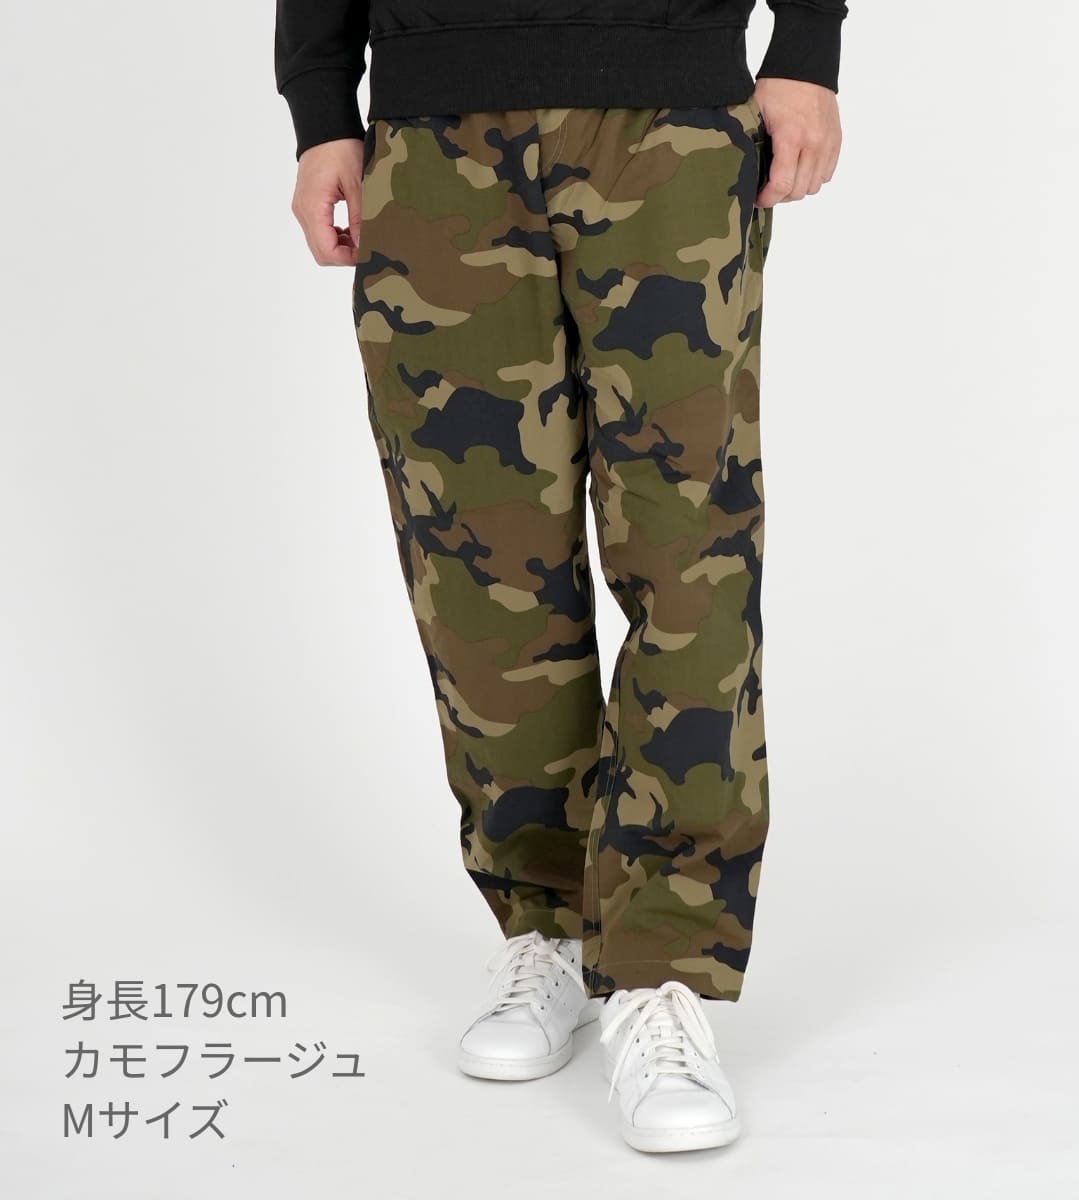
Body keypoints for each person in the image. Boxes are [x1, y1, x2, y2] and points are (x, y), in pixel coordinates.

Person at [274, 0, 847, 1154]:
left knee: (689, 554)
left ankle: (659, 965)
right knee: (477, 566)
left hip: (671, 113)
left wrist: (808, 45)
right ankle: (545, 921)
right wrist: (321, 105)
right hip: (433, 131)